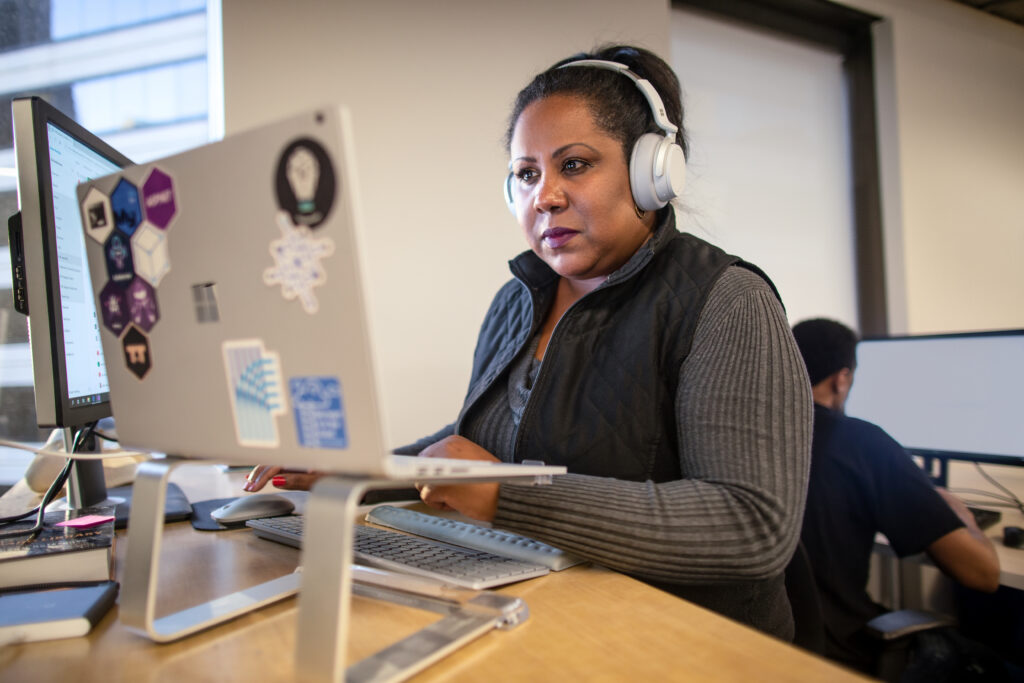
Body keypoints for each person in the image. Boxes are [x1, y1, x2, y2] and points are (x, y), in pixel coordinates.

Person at [248, 44, 812, 640]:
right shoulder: (516, 301)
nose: (544, 196)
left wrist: (511, 499)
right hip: (545, 618)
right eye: (526, 173)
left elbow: (751, 527)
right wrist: (357, 466)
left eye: (573, 165)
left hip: (682, 645)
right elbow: (479, 449)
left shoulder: (726, 300)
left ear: (652, 172)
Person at [791, 318, 1001, 675]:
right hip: (845, 654)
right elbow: (982, 574)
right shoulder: (860, 441)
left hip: (775, 643)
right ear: (842, 379)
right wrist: (964, 518)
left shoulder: (756, 436)